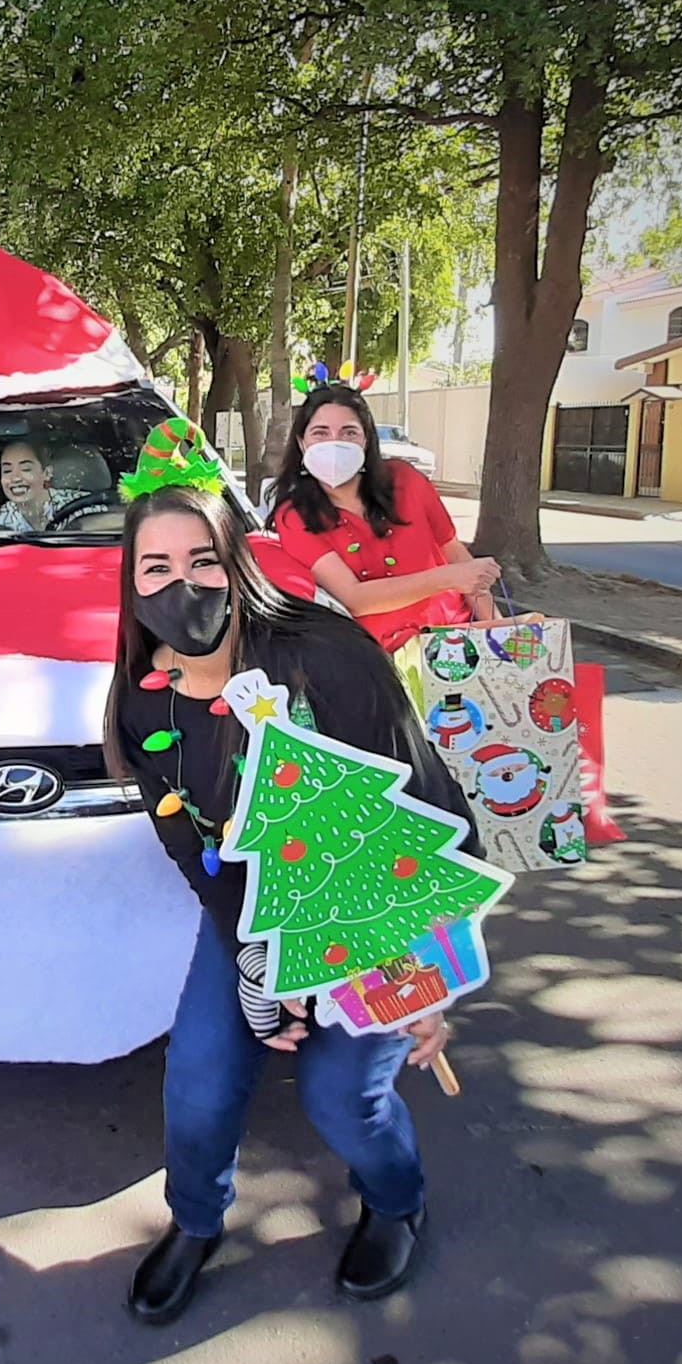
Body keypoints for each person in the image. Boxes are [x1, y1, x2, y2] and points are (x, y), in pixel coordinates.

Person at [105, 480, 479, 1321]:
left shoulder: (325, 656)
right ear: (129, 586)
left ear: (236, 562)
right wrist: (253, 958)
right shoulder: (143, 698)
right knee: (197, 1081)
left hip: (374, 913)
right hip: (251, 912)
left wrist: (428, 966)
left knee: (340, 1098)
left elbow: (430, 810)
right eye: (155, 568)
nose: (182, 586)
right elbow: (186, 840)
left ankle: (395, 1199)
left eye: (202, 561)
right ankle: (196, 1222)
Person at [269, 386, 500, 651]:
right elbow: (355, 598)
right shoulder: (295, 515)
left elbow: (456, 555)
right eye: (320, 433)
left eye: (349, 432)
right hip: (380, 658)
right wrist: (448, 578)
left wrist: (500, 630)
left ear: (366, 440)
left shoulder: (406, 479)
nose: (335, 443)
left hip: (457, 640)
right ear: (301, 443)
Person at [0, 440, 73, 532]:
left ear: (47, 473)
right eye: (7, 471)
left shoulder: (79, 506)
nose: (16, 478)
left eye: (26, 469)